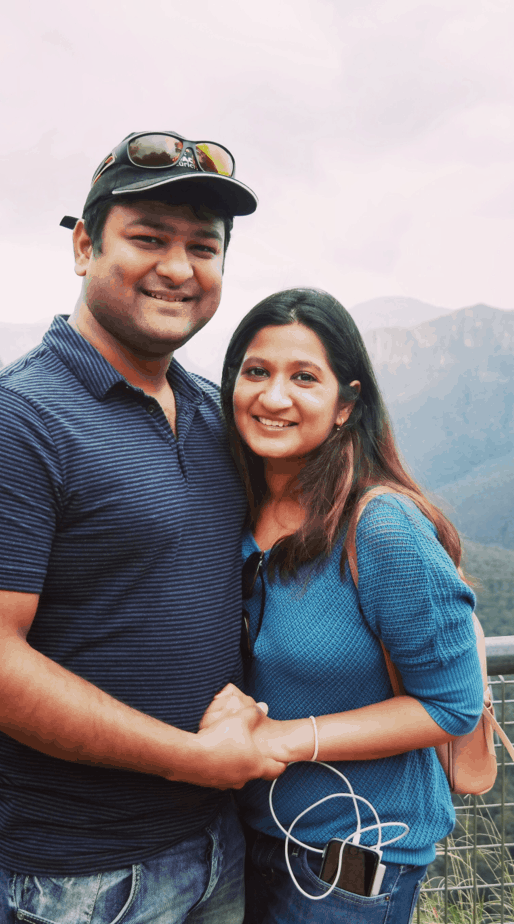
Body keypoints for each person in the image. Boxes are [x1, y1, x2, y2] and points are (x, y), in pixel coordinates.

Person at [0, 131, 284, 924]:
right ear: (84, 246)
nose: (179, 268)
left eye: (203, 246)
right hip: (75, 880)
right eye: (148, 239)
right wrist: (195, 760)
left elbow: (319, 539)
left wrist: (442, 642)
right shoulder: (6, 422)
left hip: (223, 843)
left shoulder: (219, 415)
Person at [202, 288, 484, 923]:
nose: (274, 397)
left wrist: (287, 738)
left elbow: (453, 704)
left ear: (345, 405)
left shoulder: (380, 528)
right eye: (256, 372)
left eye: (304, 377)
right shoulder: (237, 509)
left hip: (352, 853)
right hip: (245, 839)